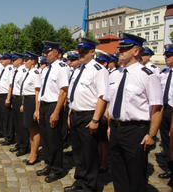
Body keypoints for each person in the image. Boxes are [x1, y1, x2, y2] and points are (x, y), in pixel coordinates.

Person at [105, 33, 162, 192]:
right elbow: (112, 102)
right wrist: (110, 126)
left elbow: (157, 107)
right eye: (120, 48)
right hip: (116, 128)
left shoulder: (146, 75)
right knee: (118, 170)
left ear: (136, 51)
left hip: (135, 130)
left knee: (136, 173)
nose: (119, 51)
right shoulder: (115, 74)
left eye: (124, 49)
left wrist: (151, 134)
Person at [64, 38, 109, 192]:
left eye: (84, 51)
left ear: (92, 52)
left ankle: (91, 185)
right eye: (79, 51)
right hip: (75, 114)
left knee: (89, 153)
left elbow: (102, 97)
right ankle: (79, 181)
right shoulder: (78, 70)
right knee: (77, 151)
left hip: (89, 115)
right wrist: (70, 112)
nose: (81, 54)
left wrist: (96, 119)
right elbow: (74, 93)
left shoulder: (98, 70)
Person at [36, 41, 69, 183]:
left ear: (56, 52)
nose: (45, 54)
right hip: (44, 105)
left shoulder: (62, 67)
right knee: (46, 138)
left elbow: (63, 91)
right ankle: (49, 164)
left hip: (54, 105)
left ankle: (57, 169)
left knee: (54, 139)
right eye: (44, 52)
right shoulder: (45, 69)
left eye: (47, 52)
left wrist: (56, 112)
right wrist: (38, 109)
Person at [6, 51, 29, 156]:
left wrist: (23, 103)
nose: (13, 61)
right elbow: (12, 85)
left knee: (21, 124)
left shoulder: (24, 71)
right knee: (16, 123)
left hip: (20, 98)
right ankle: (18, 143)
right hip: (15, 98)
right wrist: (10, 99)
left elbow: (25, 88)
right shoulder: (15, 71)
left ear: (20, 60)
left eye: (15, 59)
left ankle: (24, 146)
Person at [20, 50, 41, 165]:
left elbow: (37, 91)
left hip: (33, 101)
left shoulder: (35, 73)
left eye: (27, 60)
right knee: (30, 129)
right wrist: (23, 103)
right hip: (28, 100)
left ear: (33, 61)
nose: (24, 62)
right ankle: (32, 153)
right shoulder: (29, 73)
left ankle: (35, 154)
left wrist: (37, 110)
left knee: (34, 129)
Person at [159, 44, 173, 179]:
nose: (166, 58)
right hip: (164, 109)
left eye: (169, 56)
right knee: (166, 140)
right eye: (165, 55)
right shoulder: (164, 73)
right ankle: (170, 167)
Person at [0, 52, 15, 145]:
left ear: (9, 60)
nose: (2, 60)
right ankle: (6, 135)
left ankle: (9, 137)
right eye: (1, 59)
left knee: (8, 118)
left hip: (6, 96)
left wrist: (8, 98)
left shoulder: (10, 69)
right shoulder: (4, 69)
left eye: (4, 59)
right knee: (3, 117)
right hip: (1, 95)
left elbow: (10, 85)